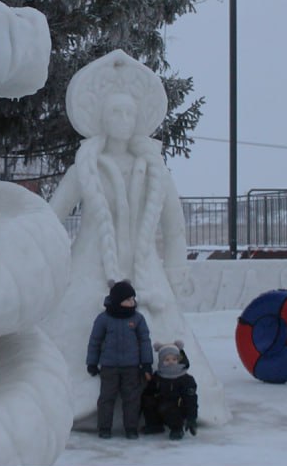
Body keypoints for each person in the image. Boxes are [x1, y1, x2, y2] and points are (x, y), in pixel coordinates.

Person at [47, 51, 229, 428]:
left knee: (161, 330)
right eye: (116, 113)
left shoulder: (154, 169)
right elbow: (53, 217)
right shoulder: (85, 167)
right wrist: (42, 256)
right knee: (76, 333)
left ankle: (163, 405)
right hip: (91, 265)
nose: (123, 120)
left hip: (146, 270)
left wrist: (176, 265)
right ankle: (71, 403)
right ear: (101, 117)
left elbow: (173, 222)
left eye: (129, 113)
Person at [86, 280, 153, 439]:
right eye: (128, 299)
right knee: (106, 398)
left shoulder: (137, 319)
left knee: (131, 399)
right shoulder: (104, 319)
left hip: (131, 367)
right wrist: (92, 362)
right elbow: (95, 341)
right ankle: (104, 428)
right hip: (109, 367)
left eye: (133, 299)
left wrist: (147, 363)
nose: (133, 302)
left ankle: (131, 428)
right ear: (118, 300)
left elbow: (145, 341)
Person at [141, 341, 199, 440]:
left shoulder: (185, 379)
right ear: (161, 361)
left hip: (178, 409)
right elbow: (149, 392)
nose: (170, 362)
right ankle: (155, 425)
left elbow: (191, 399)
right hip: (162, 407)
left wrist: (192, 418)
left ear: (178, 360)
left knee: (167, 407)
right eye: (167, 360)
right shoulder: (158, 376)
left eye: (174, 359)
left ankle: (177, 429)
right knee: (147, 399)